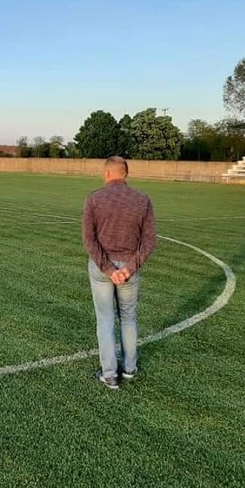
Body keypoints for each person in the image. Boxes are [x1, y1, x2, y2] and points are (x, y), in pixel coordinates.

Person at [82, 156, 157, 390]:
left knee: (105, 320)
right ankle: (130, 369)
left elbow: (89, 240)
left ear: (106, 174)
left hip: (101, 270)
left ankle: (110, 374)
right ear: (125, 173)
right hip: (129, 270)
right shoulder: (142, 199)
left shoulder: (94, 198)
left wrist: (107, 268)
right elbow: (149, 241)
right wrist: (128, 268)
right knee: (128, 318)